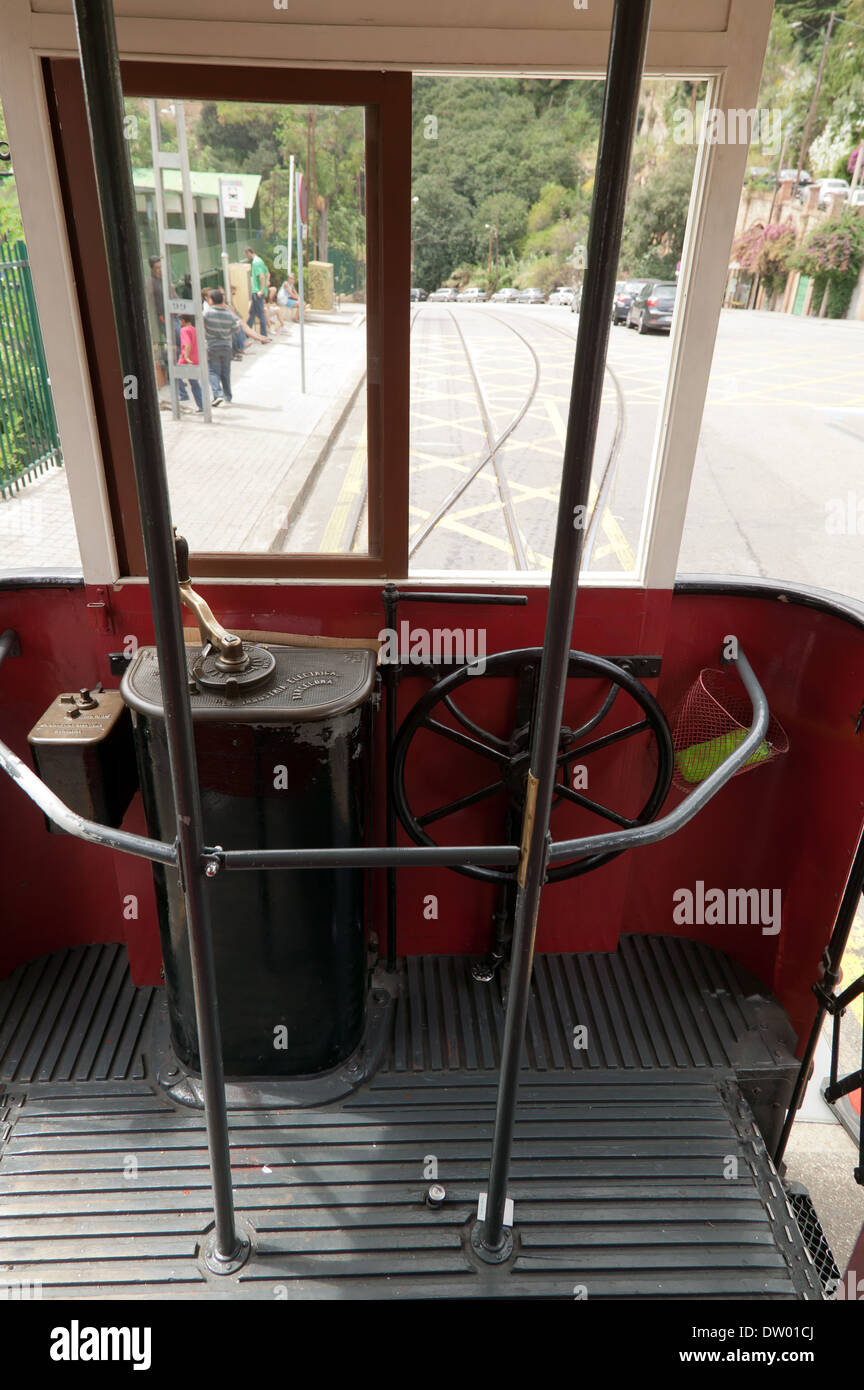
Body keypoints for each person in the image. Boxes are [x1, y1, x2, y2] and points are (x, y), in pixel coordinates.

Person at [202, 288, 235, 407]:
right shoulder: (229, 314)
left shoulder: (207, 312)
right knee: (225, 372)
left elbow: (201, 325)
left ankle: (218, 394)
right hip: (226, 346)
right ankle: (228, 396)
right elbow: (236, 329)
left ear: (211, 300)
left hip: (212, 346)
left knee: (213, 371)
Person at [177, 314, 203, 412]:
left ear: (183, 320)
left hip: (186, 359)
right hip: (195, 359)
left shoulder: (184, 330)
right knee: (194, 383)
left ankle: (183, 395)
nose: (179, 323)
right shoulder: (195, 329)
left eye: (179, 321)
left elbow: (187, 344)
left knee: (175, 375)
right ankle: (201, 405)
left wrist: (186, 356)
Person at [244, 246, 270, 340]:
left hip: (257, 292)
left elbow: (262, 276)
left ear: (249, 253)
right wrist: (267, 284)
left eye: (246, 254)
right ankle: (246, 334)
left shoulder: (256, 262)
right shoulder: (260, 260)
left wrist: (261, 290)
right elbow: (267, 274)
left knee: (260, 313)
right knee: (252, 313)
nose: (246, 257)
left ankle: (263, 335)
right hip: (257, 291)